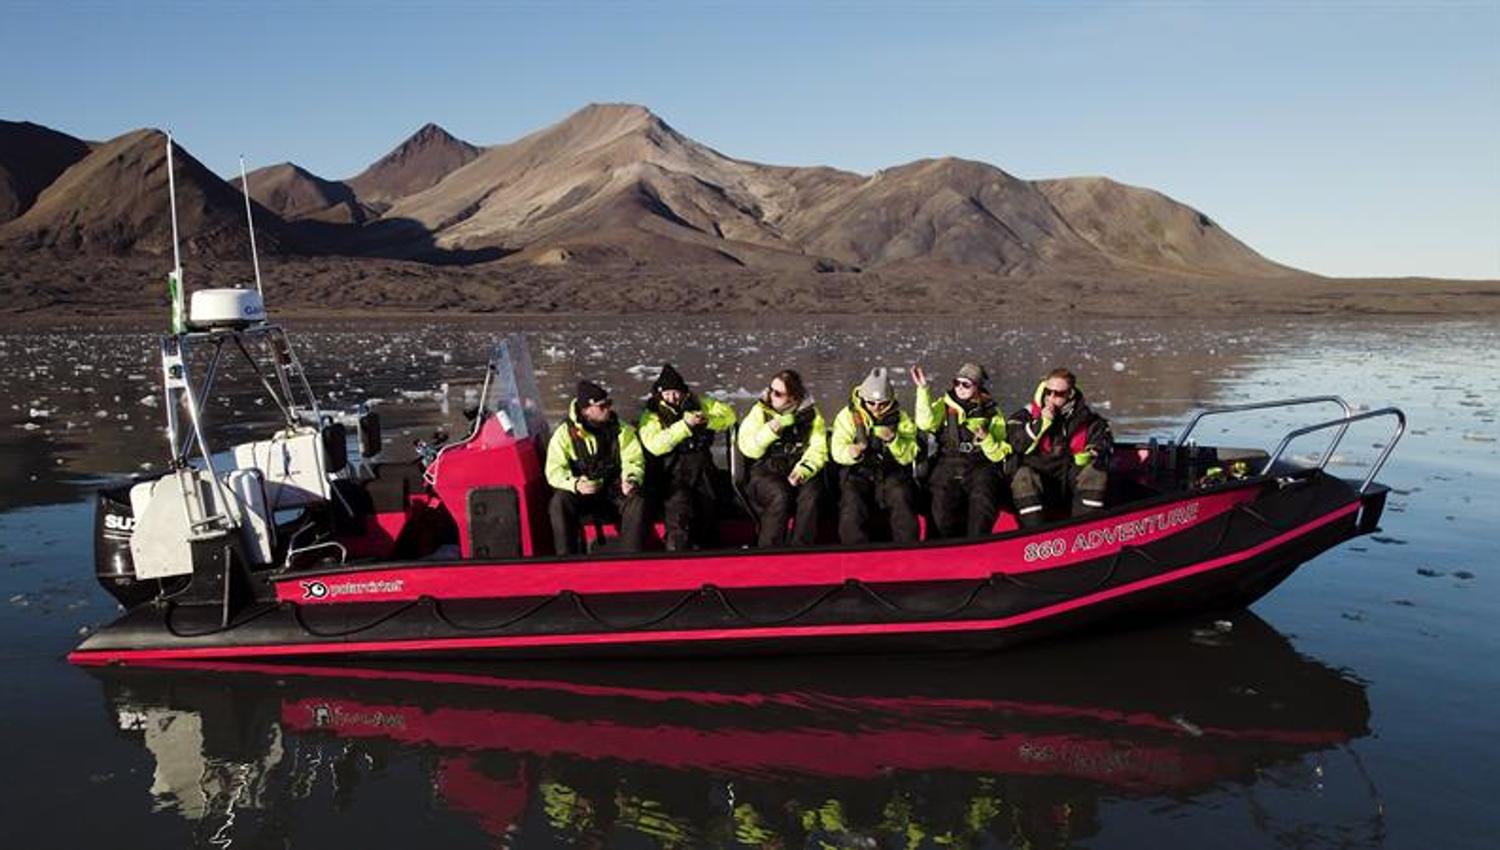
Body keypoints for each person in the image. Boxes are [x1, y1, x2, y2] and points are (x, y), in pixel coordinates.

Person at [638, 363, 737, 550]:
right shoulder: (652, 414)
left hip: (703, 472)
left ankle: (711, 554)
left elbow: (729, 416)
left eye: (676, 393)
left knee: (708, 511)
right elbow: (654, 445)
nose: (672, 398)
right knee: (679, 514)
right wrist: (684, 427)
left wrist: (708, 421)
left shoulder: (701, 403)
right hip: (672, 475)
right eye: (667, 393)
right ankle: (677, 557)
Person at [544, 380, 649, 554]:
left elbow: (634, 460)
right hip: (583, 495)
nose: (608, 409)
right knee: (560, 501)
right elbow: (554, 471)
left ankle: (631, 558)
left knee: (637, 501)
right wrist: (576, 484)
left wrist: (631, 479)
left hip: (613, 492)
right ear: (586, 410)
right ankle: (566, 560)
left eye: (609, 404)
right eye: (602, 406)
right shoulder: (564, 434)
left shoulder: (623, 431)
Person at [912, 362, 1012, 538]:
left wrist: (986, 438)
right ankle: (941, 546)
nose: (960, 388)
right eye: (957, 383)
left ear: (978, 387)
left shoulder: (992, 413)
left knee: (983, 497)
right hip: (947, 462)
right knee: (940, 499)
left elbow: (1000, 453)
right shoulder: (943, 406)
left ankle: (978, 542)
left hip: (980, 464)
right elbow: (924, 423)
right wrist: (923, 389)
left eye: (966, 384)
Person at [1008, 368, 1112, 527]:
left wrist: (1093, 451)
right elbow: (1016, 443)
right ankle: (1034, 536)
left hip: (1071, 479)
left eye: (1058, 394)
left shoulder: (1087, 419)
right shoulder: (1024, 416)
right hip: (1038, 479)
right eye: (1048, 392)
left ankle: (1085, 531)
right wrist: (1041, 423)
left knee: (1095, 472)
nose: (1051, 398)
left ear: (1070, 394)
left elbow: (1103, 439)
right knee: (1023, 476)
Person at [737, 369, 828, 547]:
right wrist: (769, 432)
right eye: (771, 389)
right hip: (765, 472)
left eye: (778, 393)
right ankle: (769, 548)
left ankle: (801, 547)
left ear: (793, 398)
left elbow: (818, 449)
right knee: (779, 494)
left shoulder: (812, 417)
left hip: (797, 468)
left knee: (812, 494)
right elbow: (748, 449)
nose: (771, 395)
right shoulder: (760, 412)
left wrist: (803, 470)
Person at [830, 367, 920, 544]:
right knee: (852, 502)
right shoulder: (847, 417)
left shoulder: (901, 419)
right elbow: (836, 450)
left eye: (882, 404)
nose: (876, 408)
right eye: (871, 403)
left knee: (901, 495)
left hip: (891, 473)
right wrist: (851, 452)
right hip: (858, 473)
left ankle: (907, 548)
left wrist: (894, 440)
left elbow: (910, 455)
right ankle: (855, 551)